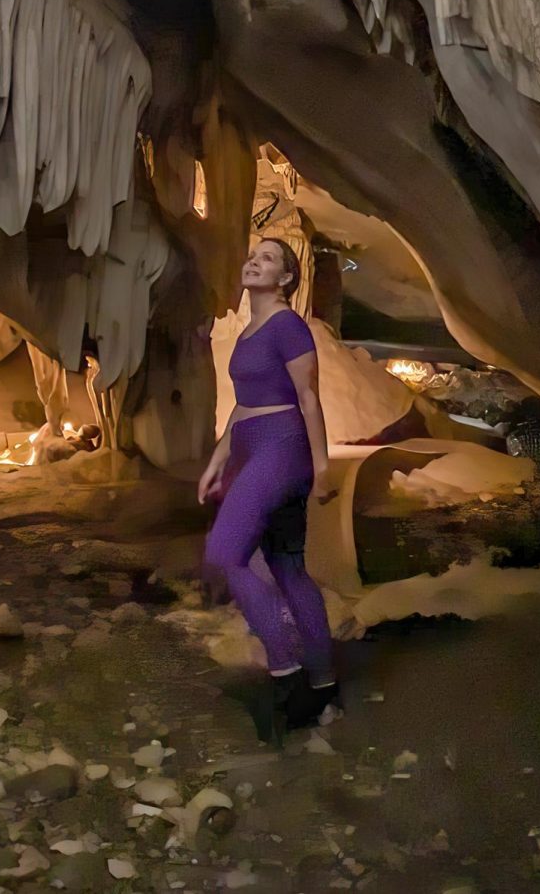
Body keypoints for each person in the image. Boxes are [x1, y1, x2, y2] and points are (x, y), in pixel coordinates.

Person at [200, 237, 339, 742]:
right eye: (252, 254)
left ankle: (287, 671)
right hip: (250, 444)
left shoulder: (288, 325)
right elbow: (241, 406)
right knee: (287, 566)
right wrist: (217, 460)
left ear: (285, 279)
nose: (252, 261)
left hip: (283, 444)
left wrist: (322, 467)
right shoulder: (247, 333)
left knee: (227, 552)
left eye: (267, 259)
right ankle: (323, 681)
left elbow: (309, 397)